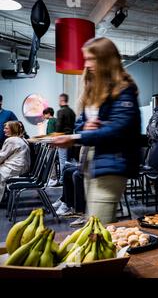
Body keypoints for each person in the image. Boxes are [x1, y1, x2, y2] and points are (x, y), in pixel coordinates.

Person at [52, 37, 141, 224]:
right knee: (96, 223)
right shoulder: (93, 89)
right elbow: (80, 123)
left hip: (113, 162)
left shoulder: (124, 90)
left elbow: (119, 129)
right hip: (91, 161)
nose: (87, 65)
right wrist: (83, 129)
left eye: (91, 59)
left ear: (106, 60)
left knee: (98, 226)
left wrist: (79, 136)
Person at [0, 121, 30, 203]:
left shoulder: (11, 140)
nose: (3, 130)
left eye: (6, 128)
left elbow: (1, 157)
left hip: (14, 168)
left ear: (12, 129)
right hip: (20, 167)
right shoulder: (21, 138)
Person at [55, 93, 76, 185]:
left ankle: (63, 180)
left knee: (62, 161)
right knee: (70, 161)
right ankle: (69, 179)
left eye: (59, 100)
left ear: (62, 100)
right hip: (71, 138)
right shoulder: (72, 112)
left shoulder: (61, 111)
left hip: (62, 138)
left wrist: (55, 136)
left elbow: (58, 126)